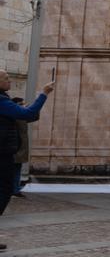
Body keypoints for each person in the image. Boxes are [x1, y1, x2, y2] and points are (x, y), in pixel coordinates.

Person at [1, 69, 54, 252]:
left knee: (5, 191)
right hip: (2, 156)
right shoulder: (1, 101)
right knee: (4, 191)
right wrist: (44, 93)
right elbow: (29, 114)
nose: (9, 81)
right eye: (6, 78)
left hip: (6, 154)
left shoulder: (4, 101)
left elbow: (28, 115)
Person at [10, 97, 32, 198]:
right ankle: (13, 189)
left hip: (20, 149)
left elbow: (34, 116)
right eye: (21, 104)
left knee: (16, 170)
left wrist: (30, 109)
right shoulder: (14, 116)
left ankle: (15, 189)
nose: (23, 105)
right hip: (15, 148)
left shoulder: (21, 116)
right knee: (12, 170)